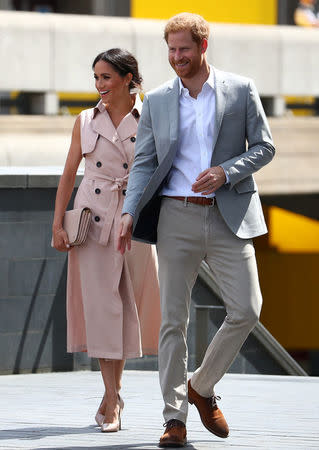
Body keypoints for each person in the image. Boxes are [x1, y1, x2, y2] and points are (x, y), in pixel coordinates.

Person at [118, 12, 275, 448]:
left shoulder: (240, 90)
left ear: (203, 46)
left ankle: (201, 387)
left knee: (247, 309)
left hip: (228, 214)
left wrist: (226, 172)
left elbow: (265, 146)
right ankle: (174, 419)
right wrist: (130, 212)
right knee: (172, 321)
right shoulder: (160, 100)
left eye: (184, 49)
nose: (176, 57)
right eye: (170, 50)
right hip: (175, 216)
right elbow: (144, 162)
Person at [52, 48, 161, 433]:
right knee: (101, 310)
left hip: (133, 220)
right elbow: (68, 174)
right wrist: (57, 226)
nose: (99, 85)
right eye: (95, 77)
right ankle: (113, 400)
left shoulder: (151, 116)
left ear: (129, 78)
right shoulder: (84, 121)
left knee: (124, 308)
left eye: (106, 78)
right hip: (93, 222)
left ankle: (111, 393)